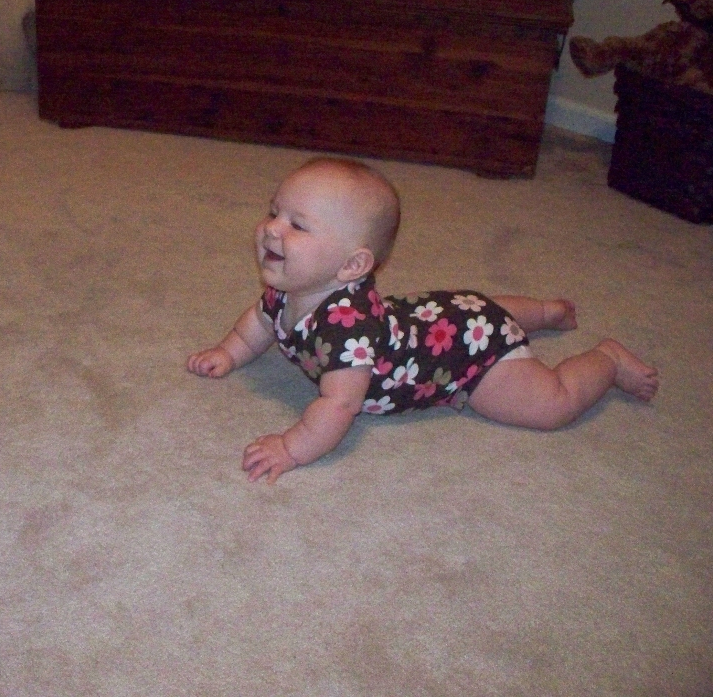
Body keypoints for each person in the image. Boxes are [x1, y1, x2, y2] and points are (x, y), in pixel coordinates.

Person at [187, 157, 659, 484]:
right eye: (274, 213)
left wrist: (291, 448)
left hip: (470, 361)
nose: (271, 228)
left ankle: (607, 360)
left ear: (352, 266)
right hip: (449, 318)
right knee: (476, 309)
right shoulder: (288, 288)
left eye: (297, 225)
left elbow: (338, 406)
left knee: (550, 406)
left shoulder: (349, 334)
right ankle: (544, 310)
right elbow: (259, 324)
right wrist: (230, 352)